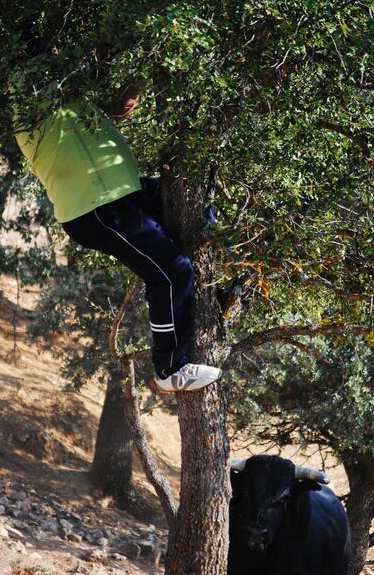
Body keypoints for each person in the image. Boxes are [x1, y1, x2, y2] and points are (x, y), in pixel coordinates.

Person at [13, 80, 221, 392]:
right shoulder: (30, 99)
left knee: (195, 206)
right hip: (98, 208)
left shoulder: (69, 92)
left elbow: (106, 117)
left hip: (123, 194)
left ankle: (189, 297)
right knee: (171, 271)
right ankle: (169, 369)